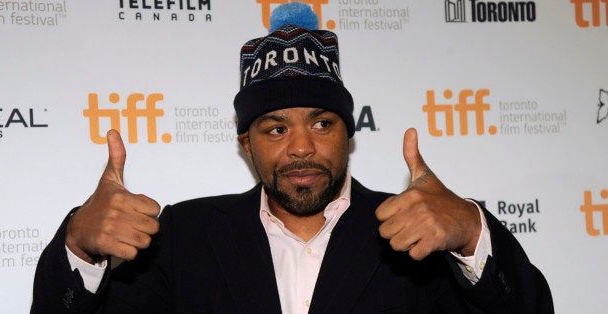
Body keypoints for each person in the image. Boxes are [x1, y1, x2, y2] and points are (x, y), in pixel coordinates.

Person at [31, 3, 553, 313]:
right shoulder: (184, 238)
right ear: (246, 142)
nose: (302, 146)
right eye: (275, 127)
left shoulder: (422, 234)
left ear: (349, 133)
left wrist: (471, 230)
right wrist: (79, 244)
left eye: (322, 123)